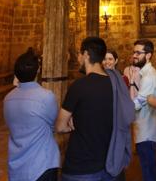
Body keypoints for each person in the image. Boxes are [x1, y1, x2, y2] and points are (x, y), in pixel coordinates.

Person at [56, 37, 134, 181]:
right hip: (110, 162)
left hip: (82, 166)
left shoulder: (78, 86)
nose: (78, 58)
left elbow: (60, 126)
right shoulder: (116, 85)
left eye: (79, 54)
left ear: (86, 54)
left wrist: (72, 124)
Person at [4, 49, 60, 181]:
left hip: (17, 164)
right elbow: (54, 125)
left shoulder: (8, 98)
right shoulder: (46, 96)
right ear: (38, 71)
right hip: (42, 164)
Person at [130, 39, 156, 181]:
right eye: (134, 52)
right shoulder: (145, 74)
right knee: (150, 170)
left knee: (149, 173)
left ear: (148, 55)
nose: (134, 55)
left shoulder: (149, 77)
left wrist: (117, 108)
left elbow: (137, 104)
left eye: (138, 52)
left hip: (147, 131)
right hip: (145, 129)